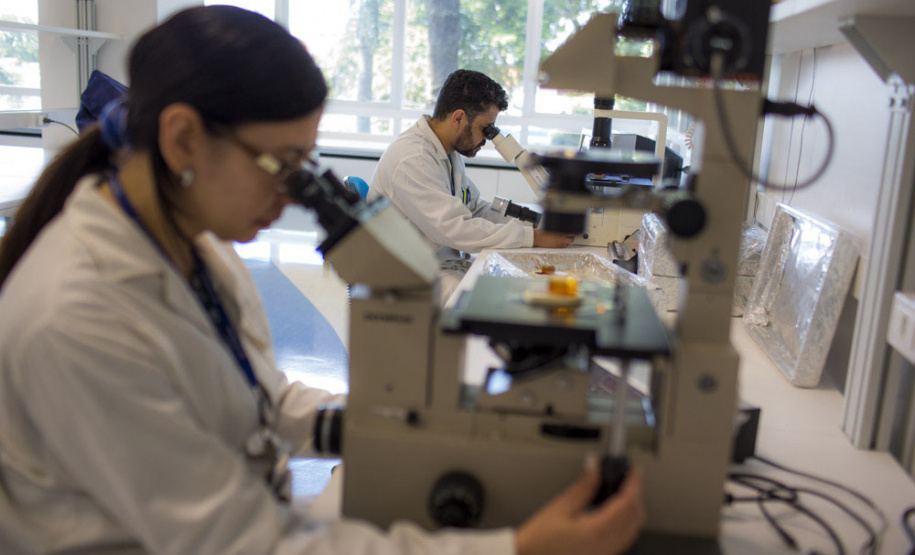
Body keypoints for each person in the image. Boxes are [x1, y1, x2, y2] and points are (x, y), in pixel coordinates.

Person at [0, 6, 643, 555]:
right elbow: (249, 544)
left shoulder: (196, 247)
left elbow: (261, 396)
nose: (295, 192)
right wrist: (515, 548)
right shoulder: (77, 317)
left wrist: (392, 421)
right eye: (282, 163)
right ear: (183, 139)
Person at [368, 69, 575, 303]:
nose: (487, 140)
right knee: (500, 302)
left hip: (442, 262)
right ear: (458, 118)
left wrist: (533, 226)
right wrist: (531, 238)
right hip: (410, 276)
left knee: (517, 282)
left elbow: (475, 208)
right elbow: (456, 228)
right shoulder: (412, 159)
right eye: (485, 129)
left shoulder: (446, 152)